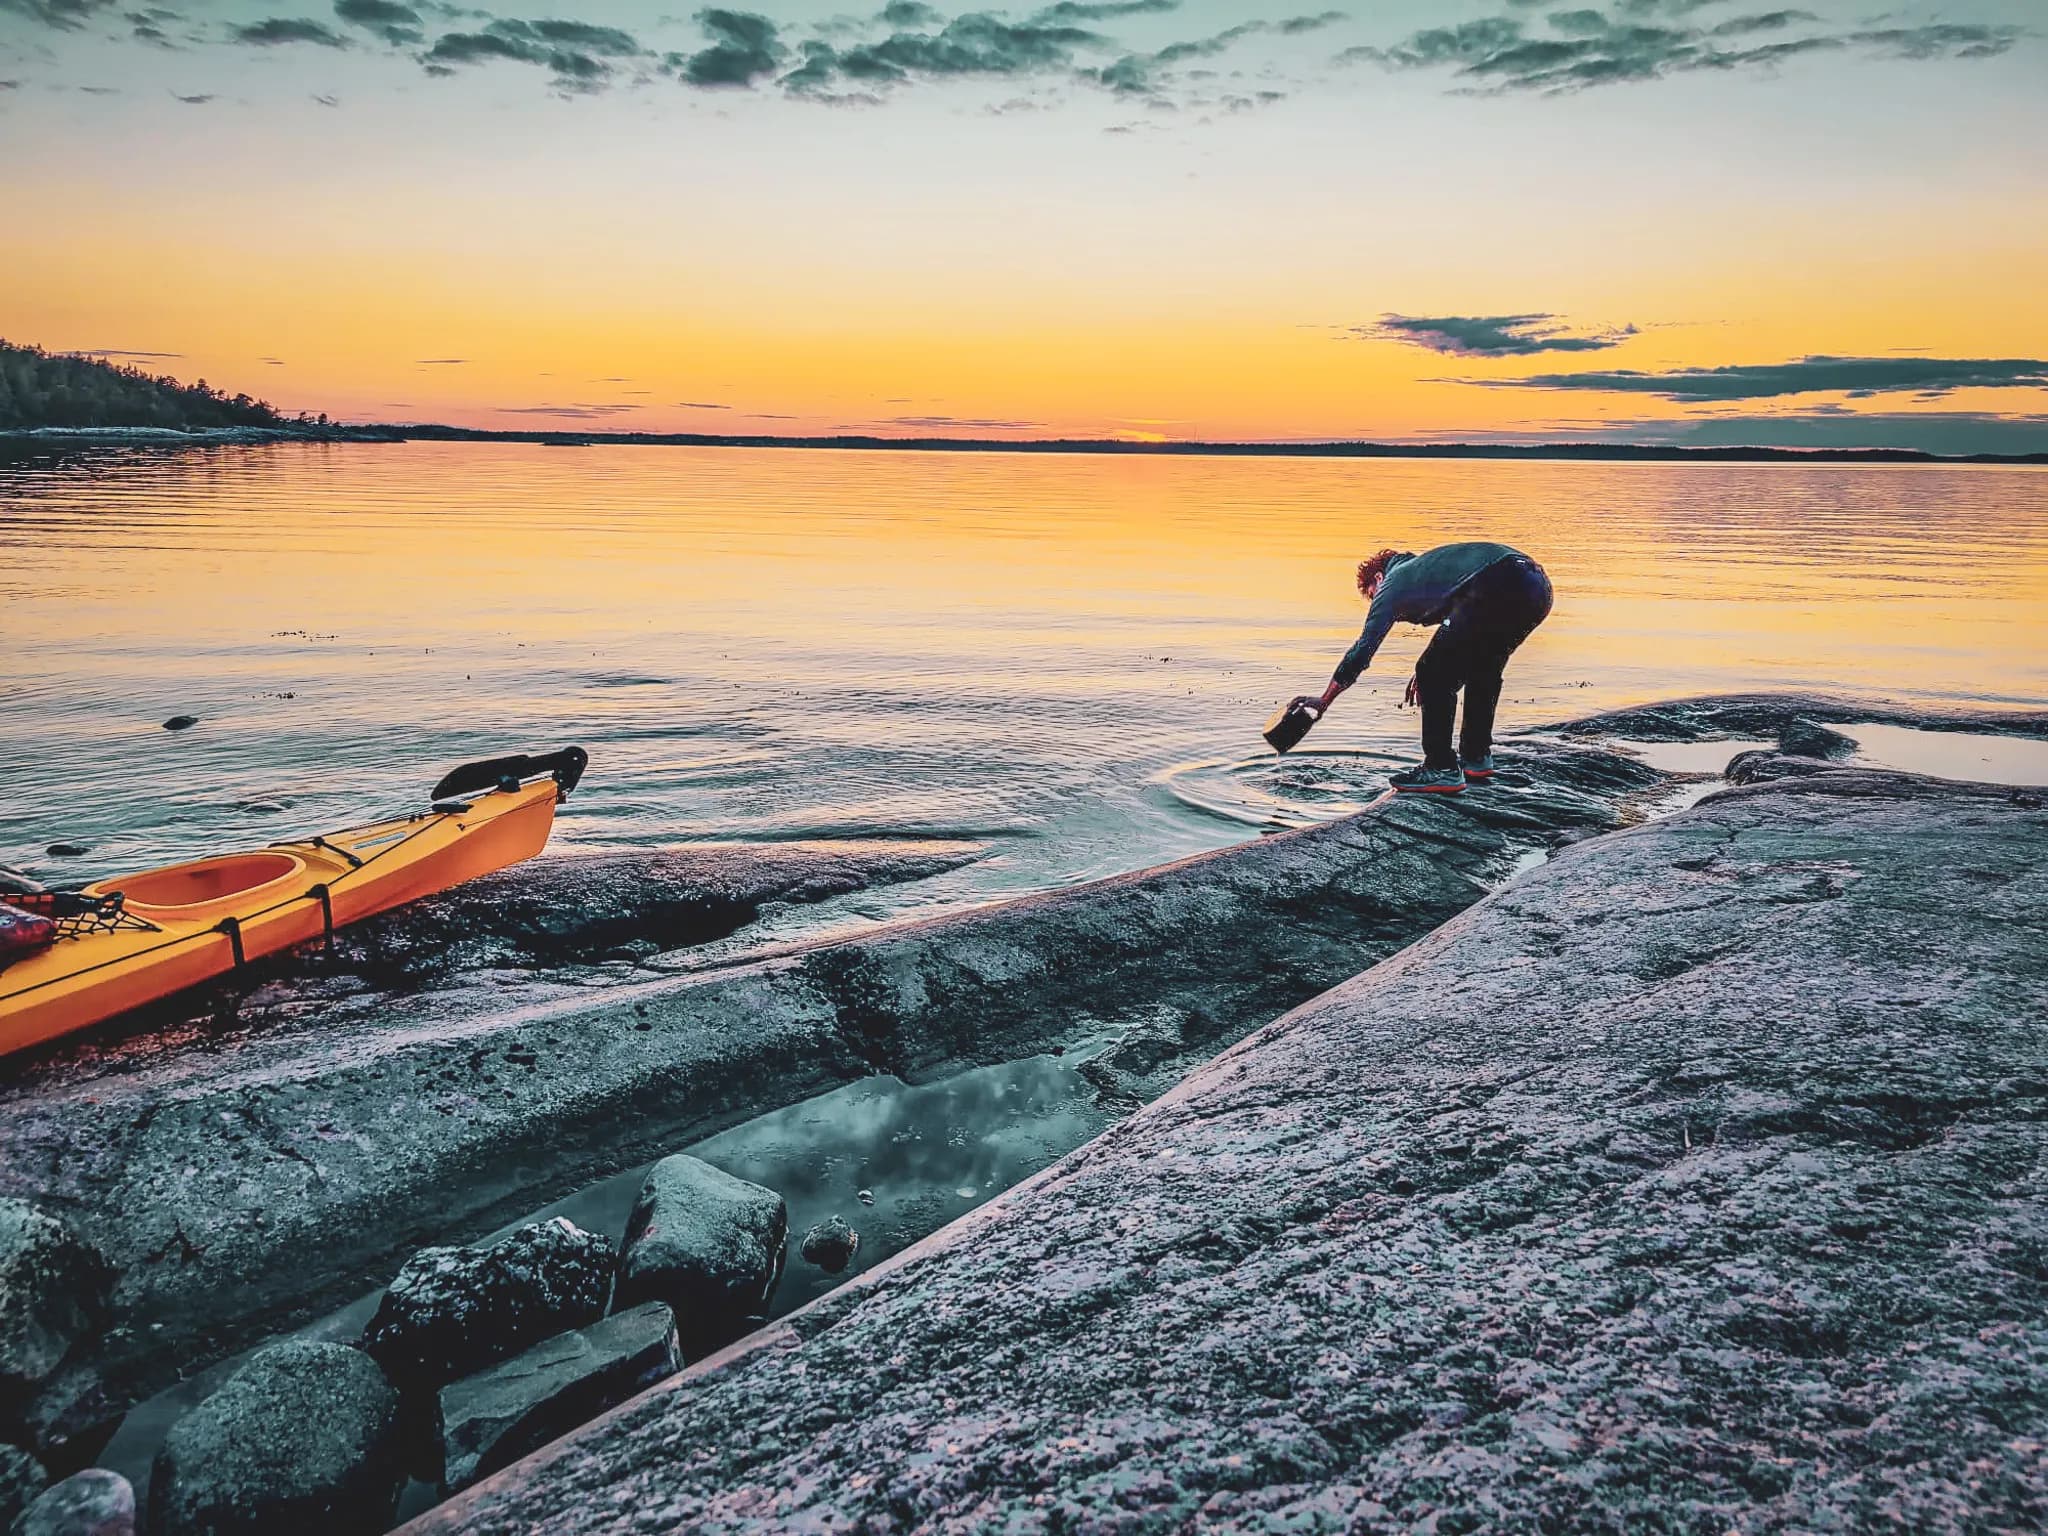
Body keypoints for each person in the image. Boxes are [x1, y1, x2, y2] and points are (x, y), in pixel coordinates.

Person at [1306, 541, 1553, 794]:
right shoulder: (1423, 570)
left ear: (1379, 577)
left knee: (1433, 671)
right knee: (1484, 667)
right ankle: (1476, 759)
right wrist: (1430, 669)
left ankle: (1441, 768)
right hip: (1537, 588)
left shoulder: (1393, 582)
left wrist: (1324, 700)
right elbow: (1460, 628)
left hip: (1498, 581)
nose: (1374, 603)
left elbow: (1363, 650)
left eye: (1371, 594)